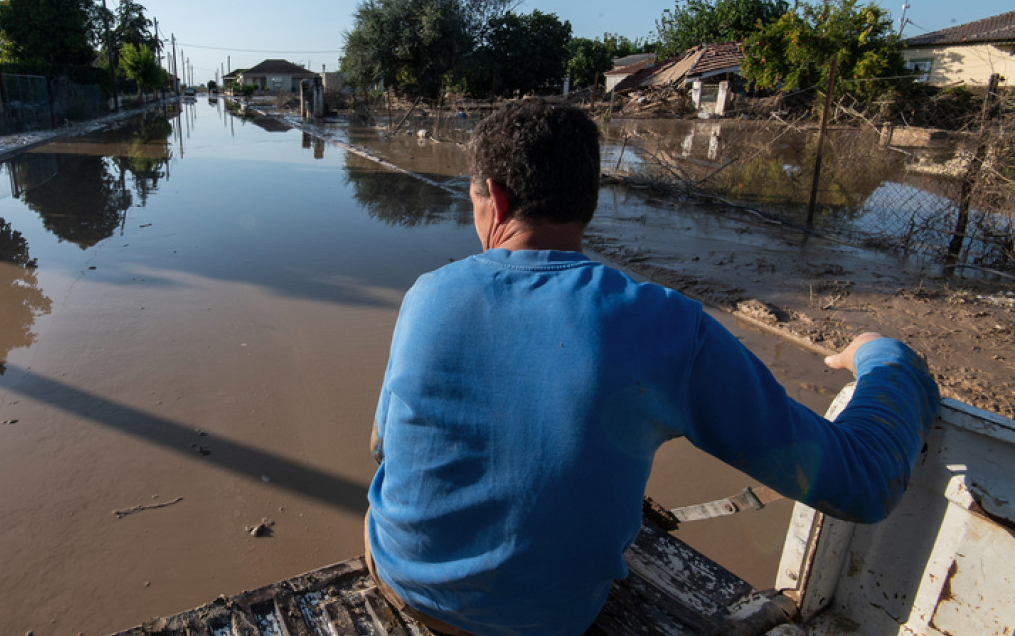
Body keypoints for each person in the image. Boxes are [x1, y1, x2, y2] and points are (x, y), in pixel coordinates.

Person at [364, 99, 939, 636]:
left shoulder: (428, 294)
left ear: (496, 198)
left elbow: (383, 446)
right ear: (588, 199)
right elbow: (863, 483)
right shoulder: (666, 326)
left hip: (405, 586)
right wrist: (884, 357)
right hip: (556, 619)